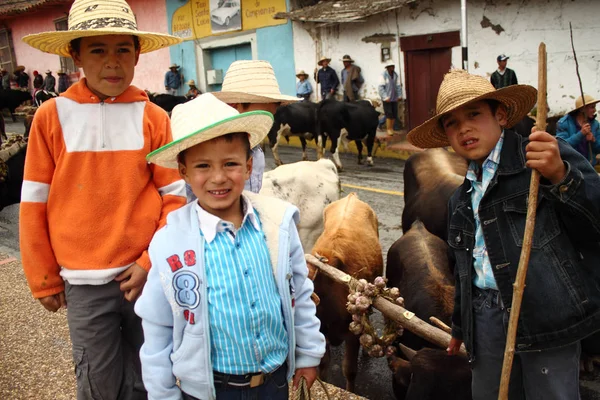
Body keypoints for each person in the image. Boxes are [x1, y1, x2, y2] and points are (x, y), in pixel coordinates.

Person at [20, 0, 185, 398]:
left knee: (152, 374)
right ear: (75, 55)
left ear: (137, 54)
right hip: (82, 282)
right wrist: (43, 277)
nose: (112, 62)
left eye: (122, 50)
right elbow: (34, 202)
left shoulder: (154, 117)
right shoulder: (51, 116)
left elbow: (175, 199)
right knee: (97, 380)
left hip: (144, 277)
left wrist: (150, 262)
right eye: (97, 50)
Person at [407, 69, 600, 400]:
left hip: (544, 312)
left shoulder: (542, 159)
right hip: (485, 320)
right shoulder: (460, 200)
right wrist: (460, 325)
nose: (463, 127)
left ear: (500, 114)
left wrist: (562, 175)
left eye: (474, 114)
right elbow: (465, 272)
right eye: (451, 123)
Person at [135, 92, 326, 400]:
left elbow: (299, 293)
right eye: (203, 166)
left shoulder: (277, 224)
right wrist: (163, 394)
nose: (218, 178)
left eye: (230, 163)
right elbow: (157, 326)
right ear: (183, 171)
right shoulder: (170, 242)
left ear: (249, 166)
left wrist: (308, 353)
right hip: (212, 389)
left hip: (274, 383)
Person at [211, 59, 299, 194]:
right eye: (261, 117)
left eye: (270, 117)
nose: (267, 124)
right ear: (234, 105)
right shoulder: (206, 150)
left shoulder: (256, 151)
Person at [556, 94, 600, 166]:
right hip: (571, 167)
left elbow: (598, 148)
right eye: (592, 107)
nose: (594, 110)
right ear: (582, 109)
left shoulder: (595, 125)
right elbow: (561, 147)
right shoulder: (564, 123)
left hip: (589, 166)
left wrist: (593, 141)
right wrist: (581, 134)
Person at [378, 63, 402, 136]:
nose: (393, 68)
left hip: (394, 97)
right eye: (391, 67)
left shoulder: (395, 75)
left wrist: (399, 95)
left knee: (394, 113)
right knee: (389, 114)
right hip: (387, 99)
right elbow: (381, 87)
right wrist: (385, 97)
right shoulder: (383, 75)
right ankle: (388, 129)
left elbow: (398, 86)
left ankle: (392, 129)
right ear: (387, 68)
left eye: (393, 66)